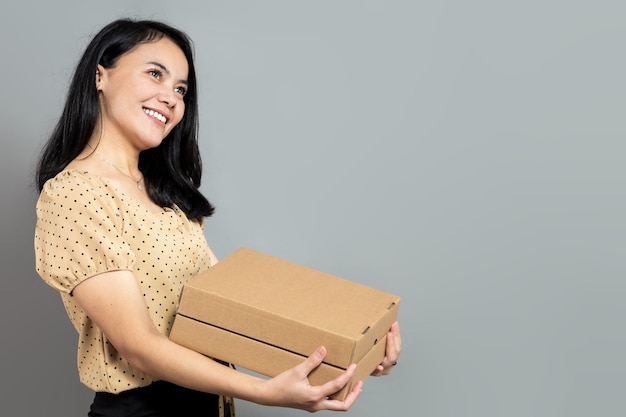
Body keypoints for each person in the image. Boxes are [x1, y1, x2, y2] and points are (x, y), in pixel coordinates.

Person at [34, 18, 402, 417]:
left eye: (180, 89)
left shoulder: (167, 197)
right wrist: (265, 392)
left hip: (209, 405)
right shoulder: (75, 193)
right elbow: (139, 346)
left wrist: (353, 354)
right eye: (155, 74)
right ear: (99, 75)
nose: (171, 98)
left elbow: (230, 315)